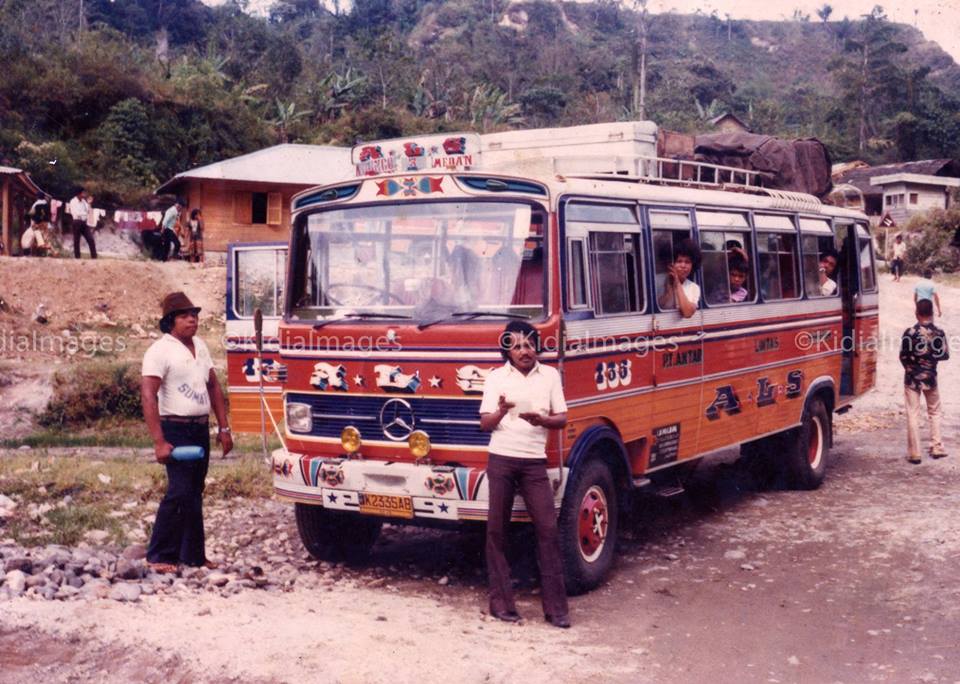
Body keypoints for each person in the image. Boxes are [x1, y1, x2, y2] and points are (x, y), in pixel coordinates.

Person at [479, 321, 570, 629]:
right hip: (501, 458)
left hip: (534, 463)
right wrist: (503, 410)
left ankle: (557, 610)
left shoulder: (550, 376)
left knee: (548, 529)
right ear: (507, 350)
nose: (524, 351)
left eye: (529, 345)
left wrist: (542, 419)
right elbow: (485, 424)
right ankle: (501, 604)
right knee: (496, 531)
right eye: (516, 346)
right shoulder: (495, 378)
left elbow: (562, 418)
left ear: (536, 348)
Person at [141, 291, 233, 572]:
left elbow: (213, 386)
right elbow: (148, 395)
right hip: (175, 428)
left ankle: (193, 555)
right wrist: (159, 441)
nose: (192, 319)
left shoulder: (201, 346)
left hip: (199, 428)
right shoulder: (160, 350)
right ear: (171, 322)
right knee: (179, 491)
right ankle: (158, 555)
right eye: (185, 316)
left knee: (195, 491)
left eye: (194, 314)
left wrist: (224, 427)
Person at [899, 298, 950, 464]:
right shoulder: (939, 333)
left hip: (912, 377)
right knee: (934, 412)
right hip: (931, 378)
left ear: (917, 313)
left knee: (913, 413)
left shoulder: (910, 333)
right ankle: (937, 447)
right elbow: (944, 355)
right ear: (932, 313)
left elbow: (903, 356)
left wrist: (910, 367)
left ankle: (915, 453)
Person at [657, 238, 701, 318]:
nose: (683, 266)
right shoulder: (657, 281)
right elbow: (658, 307)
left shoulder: (694, 288)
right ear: (670, 264)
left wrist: (677, 284)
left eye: (687, 262)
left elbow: (687, 313)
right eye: (679, 261)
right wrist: (669, 291)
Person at [67, 188, 96, 259]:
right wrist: (84, 214)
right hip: (77, 222)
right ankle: (77, 257)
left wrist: (89, 203)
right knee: (76, 240)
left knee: (90, 239)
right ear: (79, 194)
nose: (84, 194)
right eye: (83, 193)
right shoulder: (73, 201)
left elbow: (88, 211)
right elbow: (75, 213)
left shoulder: (84, 202)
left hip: (84, 222)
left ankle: (94, 257)